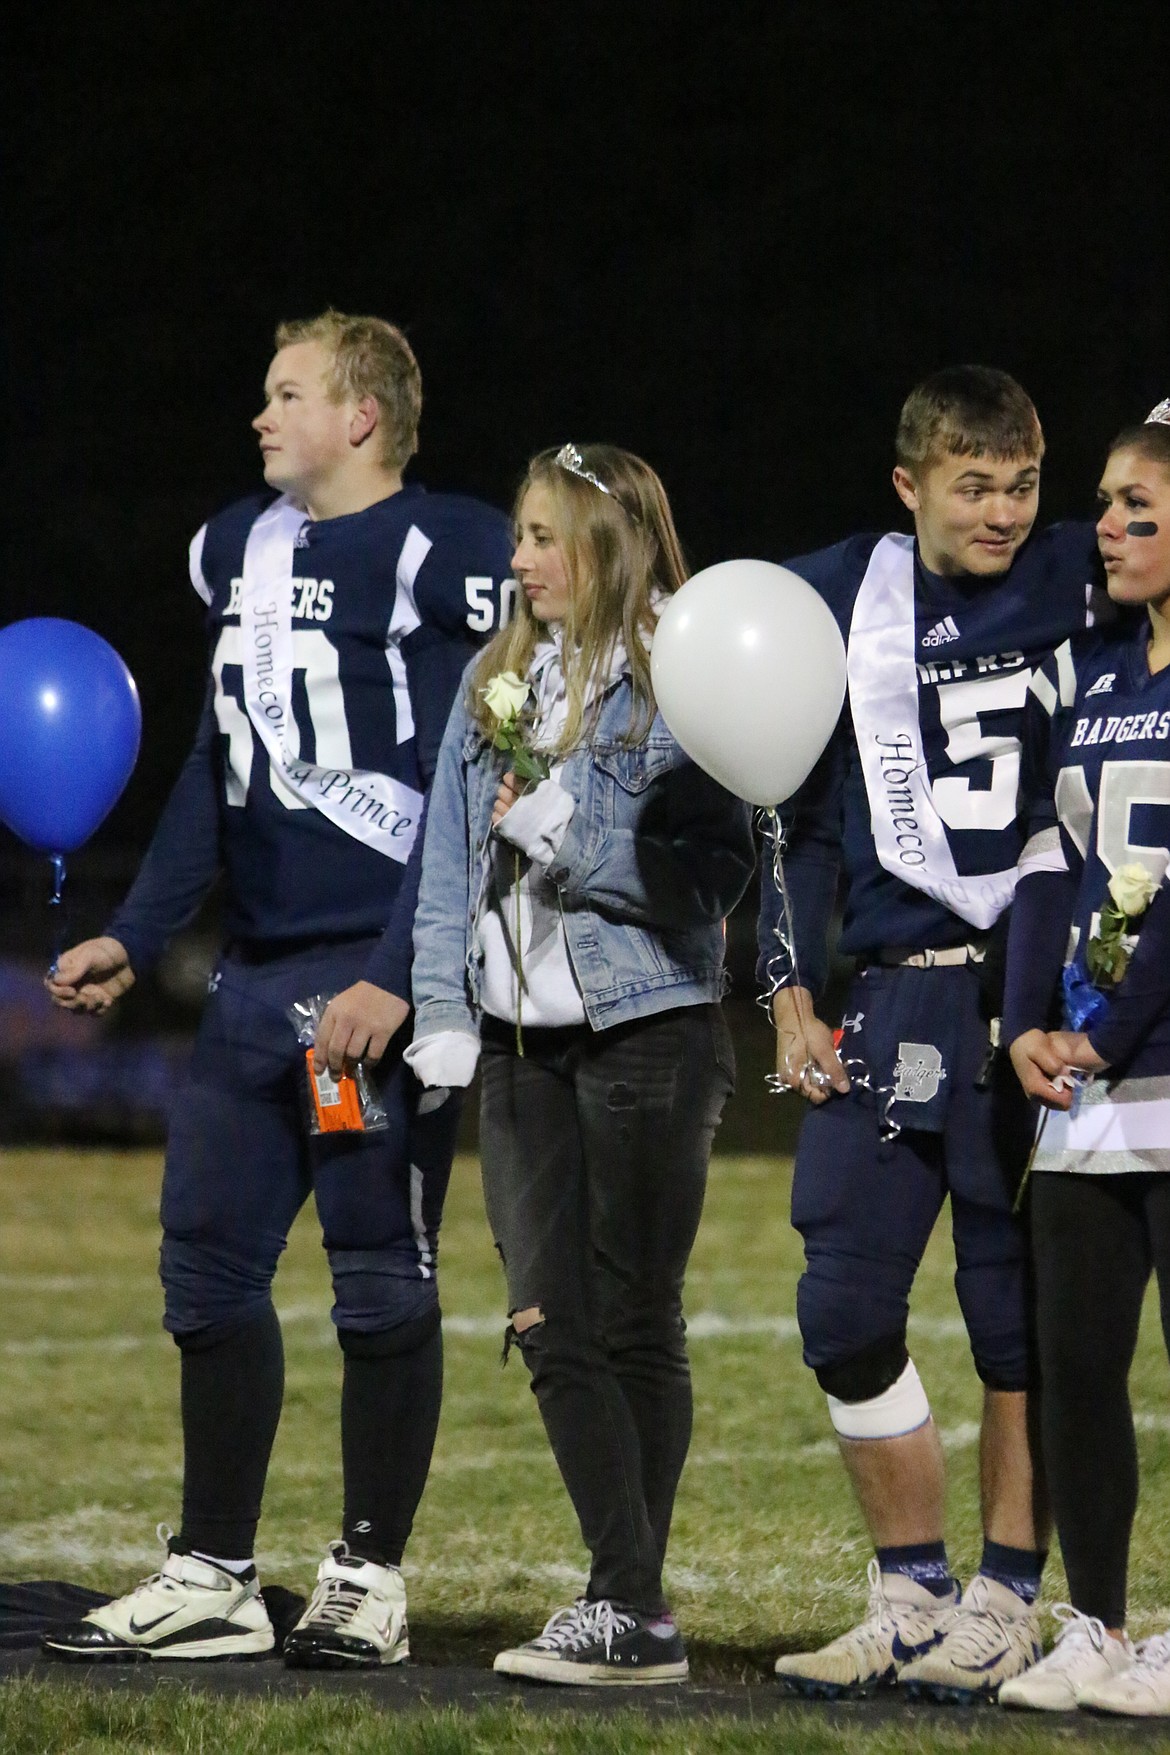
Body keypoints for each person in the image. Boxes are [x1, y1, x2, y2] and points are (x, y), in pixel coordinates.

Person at [40, 310, 514, 1667]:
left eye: (286, 392)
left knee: (376, 1280)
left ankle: (368, 1573)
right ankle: (213, 1570)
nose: (260, 416)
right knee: (203, 1268)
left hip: (368, 977)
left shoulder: (450, 549)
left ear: (359, 414)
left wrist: (396, 971)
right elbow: (219, 754)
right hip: (254, 977)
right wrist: (139, 927)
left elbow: (472, 778)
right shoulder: (242, 546)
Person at [760, 366, 1106, 1702]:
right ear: (907, 486)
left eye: (1023, 481)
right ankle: (909, 1587)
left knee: (1012, 1309)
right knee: (841, 1295)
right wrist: (785, 979)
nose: (1006, 510)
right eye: (974, 484)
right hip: (897, 983)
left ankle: (1007, 1595)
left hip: (1033, 984)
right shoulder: (843, 590)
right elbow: (775, 780)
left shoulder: (1085, 566)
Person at [404, 442, 754, 1684]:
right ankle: (636, 1603)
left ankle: (625, 1606)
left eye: (545, 536)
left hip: (645, 1028)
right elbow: (446, 856)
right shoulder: (497, 674)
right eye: (521, 535)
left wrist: (574, 837)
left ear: (607, 546)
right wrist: (438, 1001)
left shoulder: (686, 683)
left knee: (635, 1320)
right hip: (512, 1044)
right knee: (549, 1321)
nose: (519, 559)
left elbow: (707, 878)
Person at [999, 403, 1170, 1715]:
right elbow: (1047, 866)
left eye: (1135, 508)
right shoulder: (1089, 670)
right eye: (1106, 501)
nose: (1101, 527)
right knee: (1075, 1360)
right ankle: (1096, 1619)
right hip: (1082, 1083)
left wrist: (1105, 1030)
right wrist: (1022, 1025)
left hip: (1148, 1062)